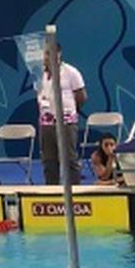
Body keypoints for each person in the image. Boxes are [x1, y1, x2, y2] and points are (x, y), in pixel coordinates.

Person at [38, 50, 88, 184]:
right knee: (49, 161)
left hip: (66, 122)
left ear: (58, 53)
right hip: (46, 123)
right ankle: (52, 190)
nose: (45, 57)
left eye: (48, 53)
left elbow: (81, 96)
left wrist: (69, 112)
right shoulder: (39, 74)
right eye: (44, 54)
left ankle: (75, 191)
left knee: (69, 159)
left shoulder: (71, 72)